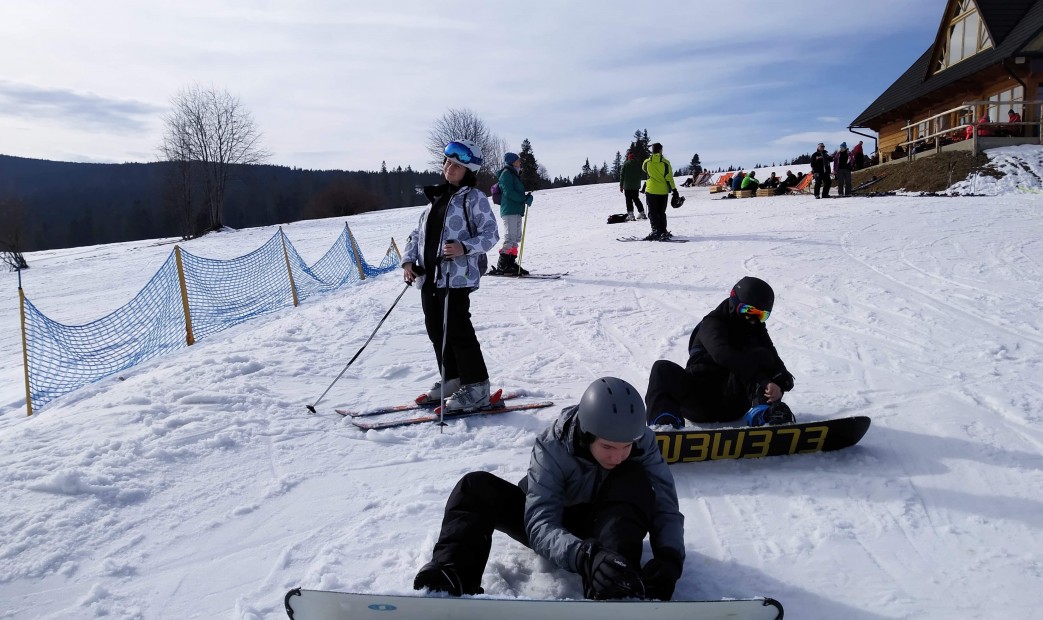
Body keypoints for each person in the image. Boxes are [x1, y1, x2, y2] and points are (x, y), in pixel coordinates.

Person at [413, 377, 686, 601]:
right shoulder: (553, 446)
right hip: (555, 523)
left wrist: (670, 558)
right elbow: (541, 521)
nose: (619, 455)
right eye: (608, 447)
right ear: (587, 434)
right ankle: (451, 576)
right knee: (475, 487)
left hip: (609, 523)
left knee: (634, 478)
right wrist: (584, 555)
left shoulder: (641, 442)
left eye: (626, 446)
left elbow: (664, 503)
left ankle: (615, 582)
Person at [402, 139, 500, 412]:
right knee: (436, 331)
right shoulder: (436, 199)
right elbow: (416, 235)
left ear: (468, 170)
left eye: (457, 165)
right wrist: (408, 261)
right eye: (447, 163)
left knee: (458, 332)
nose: (450, 168)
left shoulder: (474, 198)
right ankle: (453, 379)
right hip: (429, 278)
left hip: (456, 279)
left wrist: (463, 247)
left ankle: (477, 387)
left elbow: (491, 234)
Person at [644, 276, 795, 429]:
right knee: (661, 368)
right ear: (734, 302)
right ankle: (664, 424)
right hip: (698, 400)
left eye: (760, 315)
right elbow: (722, 354)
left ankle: (765, 414)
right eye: (747, 310)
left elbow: (773, 359)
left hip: (732, 404)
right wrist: (762, 379)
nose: (752, 319)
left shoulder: (756, 329)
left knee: (761, 354)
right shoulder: (712, 323)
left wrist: (780, 382)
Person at [492, 152, 532, 275]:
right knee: (510, 237)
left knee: (515, 238)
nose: (520, 162)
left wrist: (525, 198)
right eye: (518, 160)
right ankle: (502, 266)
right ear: (512, 161)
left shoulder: (513, 174)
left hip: (516, 209)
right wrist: (523, 199)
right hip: (509, 209)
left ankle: (510, 263)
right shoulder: (506, 174)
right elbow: (508, 192)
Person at [641, 143, 680, 240]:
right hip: (663, 191)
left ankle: (655, 232)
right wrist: (674, 190)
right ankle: (663, 231)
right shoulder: (666, 163)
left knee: (652, 212)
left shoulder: (647, 162)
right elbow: (669, 177)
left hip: (651, 190)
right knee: (661, 212)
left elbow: (644, 169)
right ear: (660, 150)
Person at [619, 151, 647, 221]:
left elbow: (622, 175)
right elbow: (641, 174)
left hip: (627, 186)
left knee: (628, 200)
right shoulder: (638, 164)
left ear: (628, 156)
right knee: (636, 199)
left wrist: (621, 185)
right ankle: (642, 213)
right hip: (636, 186)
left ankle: (631, 215)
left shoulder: (625, 164)